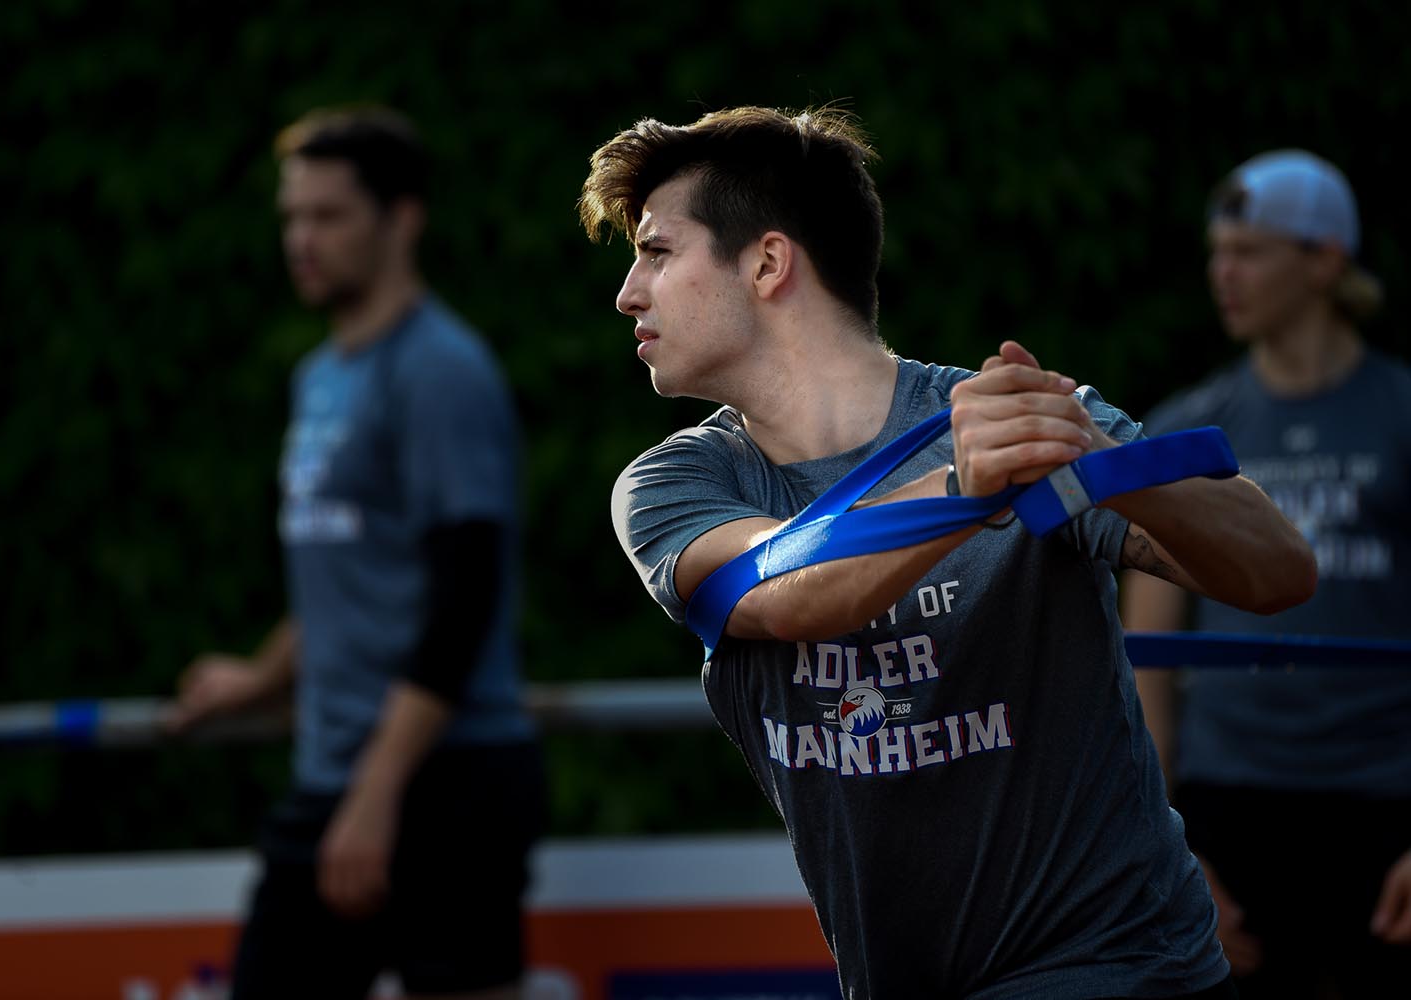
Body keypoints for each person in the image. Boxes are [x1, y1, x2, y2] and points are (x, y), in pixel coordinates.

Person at [580, 106, 1317, 999]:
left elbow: (1280, 572)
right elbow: (791, 589)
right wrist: (971, 486)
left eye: (657, 252)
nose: (629, 293)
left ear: (768, 263)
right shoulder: (673, 484)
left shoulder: (1022, 423)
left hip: (1124, 964)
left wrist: (1101, 463)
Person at [168, 106, 544, 1000]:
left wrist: (376, 793)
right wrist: (263, 676)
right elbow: (357, 571)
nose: (301, 240)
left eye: (328, 215)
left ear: (401, 219)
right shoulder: (320, 377)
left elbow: (463, 597)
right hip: (340, 777)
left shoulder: (442, 370)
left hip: (443, 782)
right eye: (292, 217)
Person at [1121, 149, 1411, 998]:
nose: (1224, 273)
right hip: (1227, 813)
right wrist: (1167, 844)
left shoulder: (1402, 415)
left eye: (1249, 251)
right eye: (1218, 252)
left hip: (1388, 806)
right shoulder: (1188, 429)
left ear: (1324, 260)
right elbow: (1145, 657)